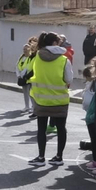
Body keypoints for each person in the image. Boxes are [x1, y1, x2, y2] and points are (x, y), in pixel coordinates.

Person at [26, 34, 75, 166]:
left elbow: (28, 72)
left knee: (41, 129)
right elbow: (69, 79)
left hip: (41, 99)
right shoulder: (64, 60)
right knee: (61, 129)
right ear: (55, 43)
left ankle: (41, 157)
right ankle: (59, 157)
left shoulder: (36, 57)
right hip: (60, 100)